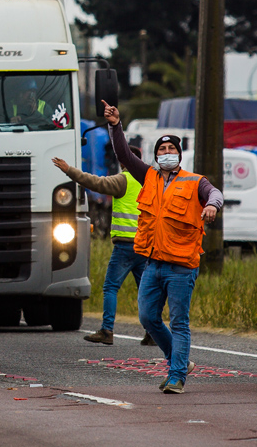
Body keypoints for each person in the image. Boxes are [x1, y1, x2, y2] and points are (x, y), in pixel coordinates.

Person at [103, 101, 223, 394]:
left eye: (171, 149)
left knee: (179, 323)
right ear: (156, 156)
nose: (167, 153)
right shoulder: (149, 177)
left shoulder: (195, 182)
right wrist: (116, 125)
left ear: (179, 155)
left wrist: (211, 205)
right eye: (162, 150)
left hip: (182, 267)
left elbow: (215, 193)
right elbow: (123, 154)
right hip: (152, 264)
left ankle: (176, 376)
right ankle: (178, 360)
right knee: (147, 318)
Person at [52, 147, 154, 346]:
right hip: (145, 246)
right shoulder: (149, 181)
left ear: (124, 162)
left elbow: (95, 182)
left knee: (111, 287)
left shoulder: (123, 180)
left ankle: (107, 330)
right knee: (145, 290)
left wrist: (69, 170)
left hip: (125, 246)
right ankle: (152, 332)